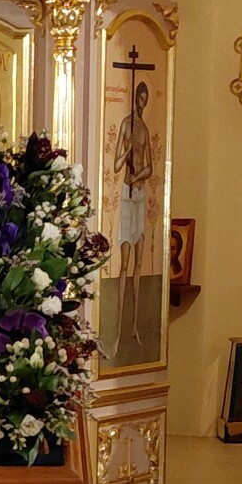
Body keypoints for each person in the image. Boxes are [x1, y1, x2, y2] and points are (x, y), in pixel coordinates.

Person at [112, 79, 155, 345]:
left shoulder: (145, 129)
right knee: (125, 263)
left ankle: (136, 326)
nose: (142, 103)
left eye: (145, 100)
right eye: (140, 98)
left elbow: (150, 166)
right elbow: (117, 164)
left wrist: (138, 176)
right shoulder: (126, 125)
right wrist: (127, 149)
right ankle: (117, 331)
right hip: (127, 197)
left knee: (139, 263)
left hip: (139, 193)